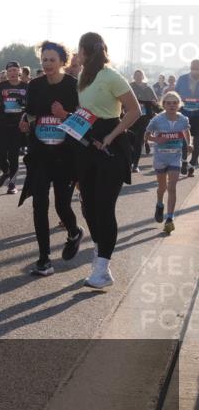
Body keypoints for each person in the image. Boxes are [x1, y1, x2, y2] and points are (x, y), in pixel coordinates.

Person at [62, 32, 140, 290]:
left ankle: (102, 266)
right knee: (88, 207)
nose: (76, 55)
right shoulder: (83, 79)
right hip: (85, 144)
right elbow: (87, 111)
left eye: (78, 50)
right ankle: (99, 252)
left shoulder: (110, 75)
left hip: (111, 147)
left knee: (105, 207)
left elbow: (134, 110)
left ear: (86, 51)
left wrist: (111, 135)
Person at [17, 42, 83, 276]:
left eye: (52, 60)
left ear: (62, 62)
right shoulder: (34, 85)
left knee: (62, 205)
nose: (47, 64)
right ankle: (44, 259)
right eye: (44, 60)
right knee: (39, 204)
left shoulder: (74, 86)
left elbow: (84, 123)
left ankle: (74, 231)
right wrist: (25, 123)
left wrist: (64, 115)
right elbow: (30, 113)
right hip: (40, 154)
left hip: (66, 155)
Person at [147, 91, 192, 234]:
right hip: (160, 158)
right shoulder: (156, 120)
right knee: (162, 187)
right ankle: (160, 204)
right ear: (163, 104)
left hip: (175, 158)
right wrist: (156, 140)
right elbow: (146, 135)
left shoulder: (183, 119)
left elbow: (186, 131)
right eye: (169, 103)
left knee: (172, 187)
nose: (172, 105)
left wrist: (189, 143)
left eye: (175, 103)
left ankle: (170, 218)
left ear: (179, 105)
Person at [0, 61, 28, 195]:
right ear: (7, 73)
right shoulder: (2, 86)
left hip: (17, 125)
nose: (12, 73)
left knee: (13, 155)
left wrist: (23, 104)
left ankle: (12, 184)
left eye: (14, 70)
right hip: (2, 124)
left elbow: (31, 104)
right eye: (10, 71)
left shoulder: (26, 87)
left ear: (19, 71)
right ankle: (6, 171)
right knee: (0, 154)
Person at [128, 70, 158, 173]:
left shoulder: (148, 87)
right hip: (131, 117)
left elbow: (154, 101)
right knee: (131, 140)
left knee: (138, 141)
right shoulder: (130, 86)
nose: (137, 77)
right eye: (136, 75)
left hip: (144, 118)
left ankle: (135, 164)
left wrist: (158, 107)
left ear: (143, 76)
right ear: (134, 76)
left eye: (139, 75)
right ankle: (130, 161)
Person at [174, 60, 199, 177]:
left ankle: (192, 164)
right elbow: (176, 94)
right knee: (184, 140)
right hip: (184, 113)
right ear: (190, 68)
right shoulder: (182, 79)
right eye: (194, 68)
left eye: (198, 69)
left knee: (198, 141)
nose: (196, 71)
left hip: (198, 114)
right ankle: (184, 161)